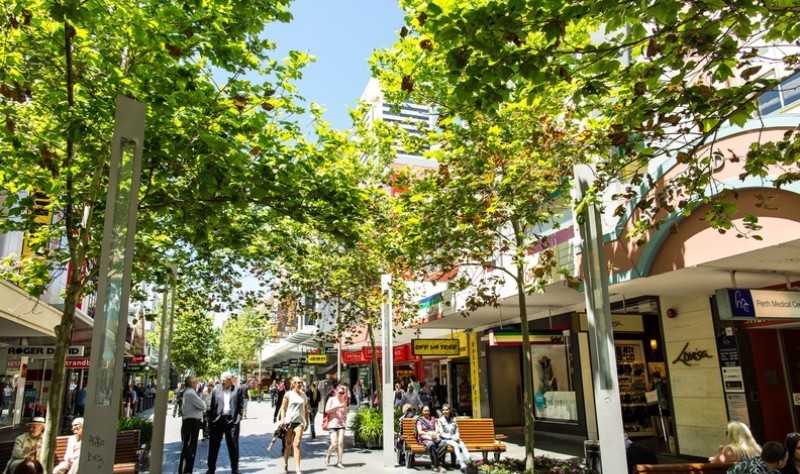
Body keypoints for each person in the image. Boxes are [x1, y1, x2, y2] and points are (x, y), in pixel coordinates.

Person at [207, 372, 245, 474]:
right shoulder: (216, 390)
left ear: (230, 380)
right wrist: (212, 420)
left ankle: (235, 469)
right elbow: (212, 406)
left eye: (224, 380)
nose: (222, 382)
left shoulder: (237, 390)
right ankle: (211, 469)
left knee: (233, 446)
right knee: (213, 446)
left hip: (232, 421)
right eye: (221, 380)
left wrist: (239, 417)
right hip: (218, 421)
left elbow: (241, 405)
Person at [279, 376, 310, 474]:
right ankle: (285, 464)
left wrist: (307, 422)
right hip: (289, 422)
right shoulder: (288, 394)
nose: (300, 384)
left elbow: (306, 410)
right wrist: (282, 420)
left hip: (299, 422)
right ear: (293, 384)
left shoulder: (303, 395)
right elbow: (283, 408)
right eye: (298, 382)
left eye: (301, 382)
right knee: (288, 444)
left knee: (297, 444)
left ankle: (297, 468)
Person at [179, 376, 205, 473]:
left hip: (190, 422)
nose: (197, 384)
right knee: (190, 448)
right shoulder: (191, 393)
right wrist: (201, 404)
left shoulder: (188, 392)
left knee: (188, 447)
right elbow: (203, 406)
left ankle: (186, 469)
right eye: (196, 382)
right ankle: (187, 470)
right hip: (192, 423)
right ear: (192, 383)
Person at [437, 404, 470, 472]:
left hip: (455, 438)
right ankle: (462, 464)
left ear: (449, 410)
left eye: (447, 410)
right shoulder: (440, 420)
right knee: (456, 445)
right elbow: (441, 433)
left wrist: (457, 437)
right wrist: (452, 438)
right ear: (442, 411)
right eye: (443, 410)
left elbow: (457, 430)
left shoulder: (454, 419)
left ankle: (469, 461)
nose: (445, 411)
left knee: (462, 444)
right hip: (446, 439)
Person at [416, 406, 447, 473]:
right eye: (425, 411)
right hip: (425, 438)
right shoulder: (419, 421)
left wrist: (435, 434)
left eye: (428, 411)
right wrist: (429, 434)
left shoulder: (433, 419)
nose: (427, 412)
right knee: (431, 444)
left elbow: (437, 429)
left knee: (443, 443)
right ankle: (437, 465)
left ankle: (434, 464)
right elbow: (420, 432)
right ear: (422, 412)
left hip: (434, 437)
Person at [324, 385, 348, 468]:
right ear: (336, 391)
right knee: (334, 443)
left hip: (341, 423)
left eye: (343, 393)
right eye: (340, 392)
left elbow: (345, 413)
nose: (341, 394)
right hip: (332, 423)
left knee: (340, 442)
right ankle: (328, 455)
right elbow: (327, 410)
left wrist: (345, 407)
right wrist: (337, 406)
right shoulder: (331, 399)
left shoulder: (344, 400)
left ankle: (339, 462)